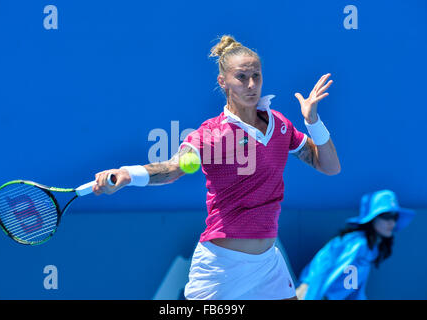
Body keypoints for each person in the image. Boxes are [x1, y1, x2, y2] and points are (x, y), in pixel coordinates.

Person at [92, 35, 341, 300]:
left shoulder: (280, 125)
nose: (251, 84)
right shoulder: (210, 134)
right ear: (223, 82)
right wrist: (129, 174)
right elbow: (172, 168)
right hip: (221, 266)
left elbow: (330, 166)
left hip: (268, 263)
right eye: (242, 77)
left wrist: (312, 121)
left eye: (256, 75)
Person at [296, 189, 416, 300]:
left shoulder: (371, 248)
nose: (392, 222)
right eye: (386, 216)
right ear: (372, 218)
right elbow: (324, 275)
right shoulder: (359, 245)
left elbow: (354, 286)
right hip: (311, 292)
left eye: (395, 217)